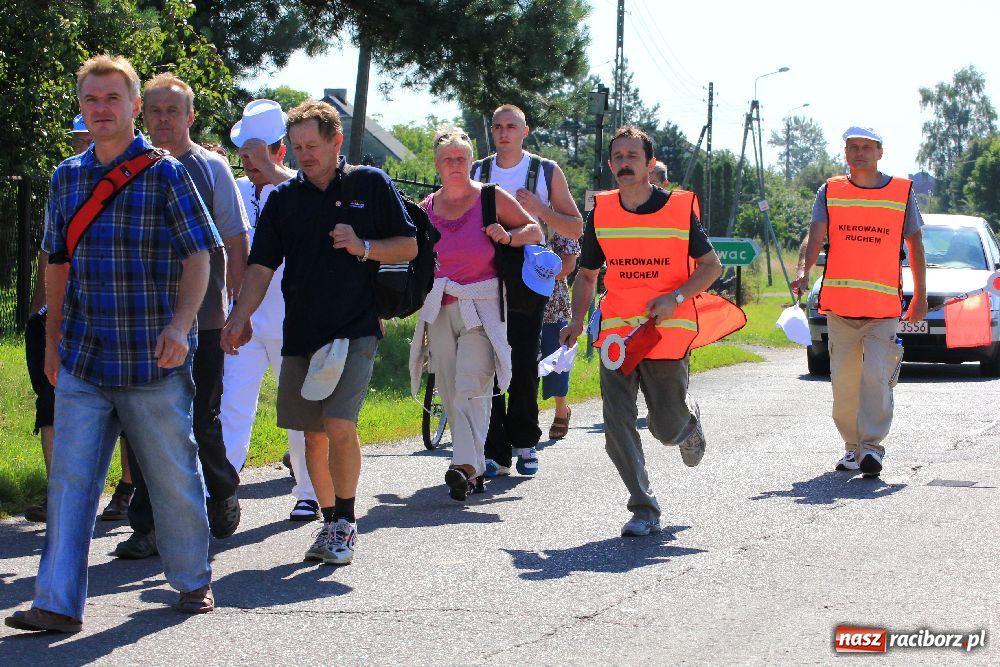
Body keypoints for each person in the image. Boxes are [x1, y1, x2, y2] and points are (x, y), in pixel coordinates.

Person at [5, 55, 220, 634]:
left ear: (133, 108)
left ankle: (191, 579)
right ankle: (57, 602)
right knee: (71, 482)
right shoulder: (66, 176)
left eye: (113, 99)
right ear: (82, 105)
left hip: (153, 356)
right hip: (82, 356)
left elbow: (201, 255)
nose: (101, 109)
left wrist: (181, 326)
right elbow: (57, 262)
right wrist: (51, 342)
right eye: (92, 99)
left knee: (172, 473)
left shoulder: (167, 173)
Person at [221, 100, 417, 565]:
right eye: (299, 146)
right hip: (302, 331)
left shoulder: (369, 184)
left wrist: (363, 245)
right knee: (311, 435)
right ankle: (329, 521)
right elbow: (261, 266)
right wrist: (238, 316)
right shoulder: (283, 200)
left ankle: (346, 523)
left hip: (355, 328)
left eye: (314, 145)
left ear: (336, 142)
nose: (306, 154)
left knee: (338, 423)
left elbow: (408, 243)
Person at [560, 126, 743, 537]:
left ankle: (687, 426)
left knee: (664, 427)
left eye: (632, 156)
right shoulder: (601, 213)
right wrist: (576, 320)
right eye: (618, 157)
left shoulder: (678, 211)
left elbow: (711, 267)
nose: (625, 163)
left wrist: (675, 298)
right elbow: (587, 275)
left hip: (666, 334)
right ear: (611, 165)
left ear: (649, 164)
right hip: (617, 339)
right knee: (616, 425)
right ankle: (643, 508)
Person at [111, 73, 249, 559]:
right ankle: (148, 526)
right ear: (141, 115)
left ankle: (223, 485)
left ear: (190, 117)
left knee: (198, 418)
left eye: (173, 111)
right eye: (154, 111)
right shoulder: (129, 169)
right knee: (140, 422)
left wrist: (236, 310)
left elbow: (235, 241)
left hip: (205, 319)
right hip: (139, 321)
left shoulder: (210, 168)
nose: (163, 120)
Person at [409, 127, 541, 501]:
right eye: (448, 159)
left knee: (471, 384)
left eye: (461, 158)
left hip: (482, 307)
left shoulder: (490, 198)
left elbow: (534, 230)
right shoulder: (426, 209)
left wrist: (509, 237)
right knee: (452, 391)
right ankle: (475, 469)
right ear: (436, 164)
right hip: (440, 307)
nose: (455, 164)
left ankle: (462, 465)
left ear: (471, 161)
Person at [793, 126, 927, 478]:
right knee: (844, 385)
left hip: (882, 309)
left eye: (867, 147)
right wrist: (802, 270)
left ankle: (872, 447)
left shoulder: (901, 192)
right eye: (852, 147)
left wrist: (922, 297)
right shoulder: (831, 190)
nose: (859, 153)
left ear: (880, 152)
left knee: (875, 378)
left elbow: (915, 246)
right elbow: (815, 234)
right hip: (841, 308)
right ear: (845, 152)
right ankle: (852, 448)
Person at [23, 117, 136, 523]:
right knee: (50, 404)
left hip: (108, 320)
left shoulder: (137, 178)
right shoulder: (66, 181)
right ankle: (60, 498)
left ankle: (126, 488)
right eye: (79, 138)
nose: (87, 143)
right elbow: (49, 255)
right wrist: (39, 313)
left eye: (89, 135)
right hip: (58, 318)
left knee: (124, 411)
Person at [471, 104, 583, 476]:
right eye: (497, 126)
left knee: (521, 362)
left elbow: (575, 228)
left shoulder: (545, 171)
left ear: (524, 131)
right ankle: (494, 449)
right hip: (484, 277)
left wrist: (539, 210)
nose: (503, 133)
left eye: (511, 127)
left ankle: (525, 442)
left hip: (529, 281)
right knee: (487, 363)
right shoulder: (477, 171)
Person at [220, 99, 319, 521]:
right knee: (231, 405)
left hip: (290, 320)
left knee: (297, 408)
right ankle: (220, 487)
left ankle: (309, 489)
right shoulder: (237, 191)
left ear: (280, 150)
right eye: (242, 155)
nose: (248, 163)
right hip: (241, 317)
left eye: (256, 153)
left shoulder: (301, 191)